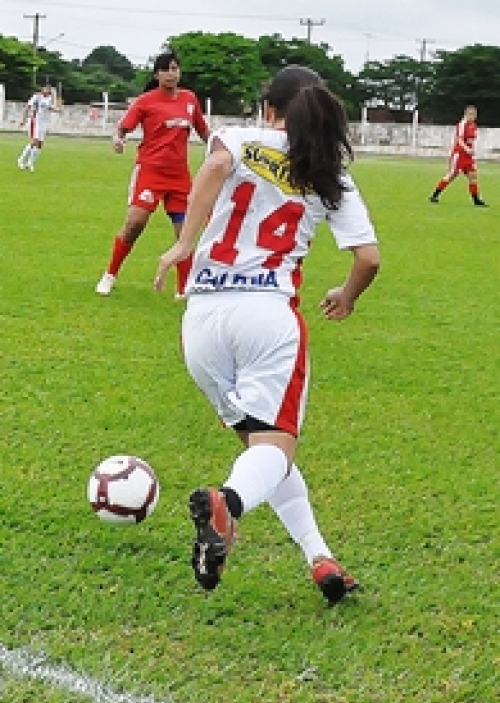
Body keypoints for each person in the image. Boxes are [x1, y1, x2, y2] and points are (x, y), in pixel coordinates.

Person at [154, 65, 381, 605]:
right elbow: (368, 258)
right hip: (267, 318)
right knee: (272, 452)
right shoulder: (330, 172)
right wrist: (346, 296)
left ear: (269, 108)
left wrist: (186, 244)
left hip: (202, 321)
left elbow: (212, 168)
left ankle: (319, 558)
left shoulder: (240, 137)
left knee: (265, 450)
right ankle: (226, 505)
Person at [95, 49, 210, 297]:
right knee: (135, 223)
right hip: (150, 171)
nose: (171, 73)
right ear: (157, 74)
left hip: (179, 176)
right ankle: (110, 275)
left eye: (175, 68)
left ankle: (183, 290)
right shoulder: (146, 101)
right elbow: (123, 128)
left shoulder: (190, 100)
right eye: (166, 69)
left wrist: (221, 151)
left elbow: (203, 131)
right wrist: (118, 139)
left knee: (184, 232)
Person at [429, 105, 487, 206]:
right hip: (459, 154)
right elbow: (459, 139)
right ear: (466, 114)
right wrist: (466, 148)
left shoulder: (473, 125)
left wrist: (472, 150)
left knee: (473, 176)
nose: (473, 116)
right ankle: (434, 195)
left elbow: (471, 140)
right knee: (452, 175)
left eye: (474, 115)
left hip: (468, 156)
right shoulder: (462, 124)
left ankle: (476, 200)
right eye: (471, 114)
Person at [17, 83, 58, 172]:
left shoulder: (49, 99)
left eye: (49, 89)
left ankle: (30, 163)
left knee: (40, 144)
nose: (47, 90)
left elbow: (49, 108)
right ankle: (21, 160)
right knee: (34, 141)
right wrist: (23, 119)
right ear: (42, 89)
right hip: (36, 121)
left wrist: (56, 110)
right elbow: (28, 107)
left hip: (44, 122)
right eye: (46, 88)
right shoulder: (36, 97)